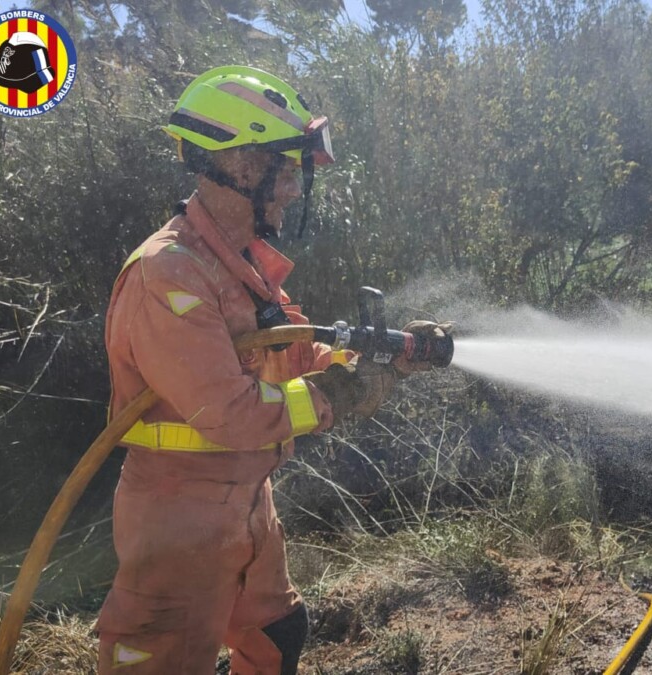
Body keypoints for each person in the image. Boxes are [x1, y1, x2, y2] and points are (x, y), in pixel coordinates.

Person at [96, 66, 448, 674]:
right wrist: (337, 394)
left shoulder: (240, 266)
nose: (291, 190)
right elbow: (230, 413)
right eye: (284, 171)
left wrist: (382, 360)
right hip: (179, 520)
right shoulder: (168, 274)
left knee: (277, 633)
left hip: (243, 504)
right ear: (239, 165)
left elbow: (297, 356)